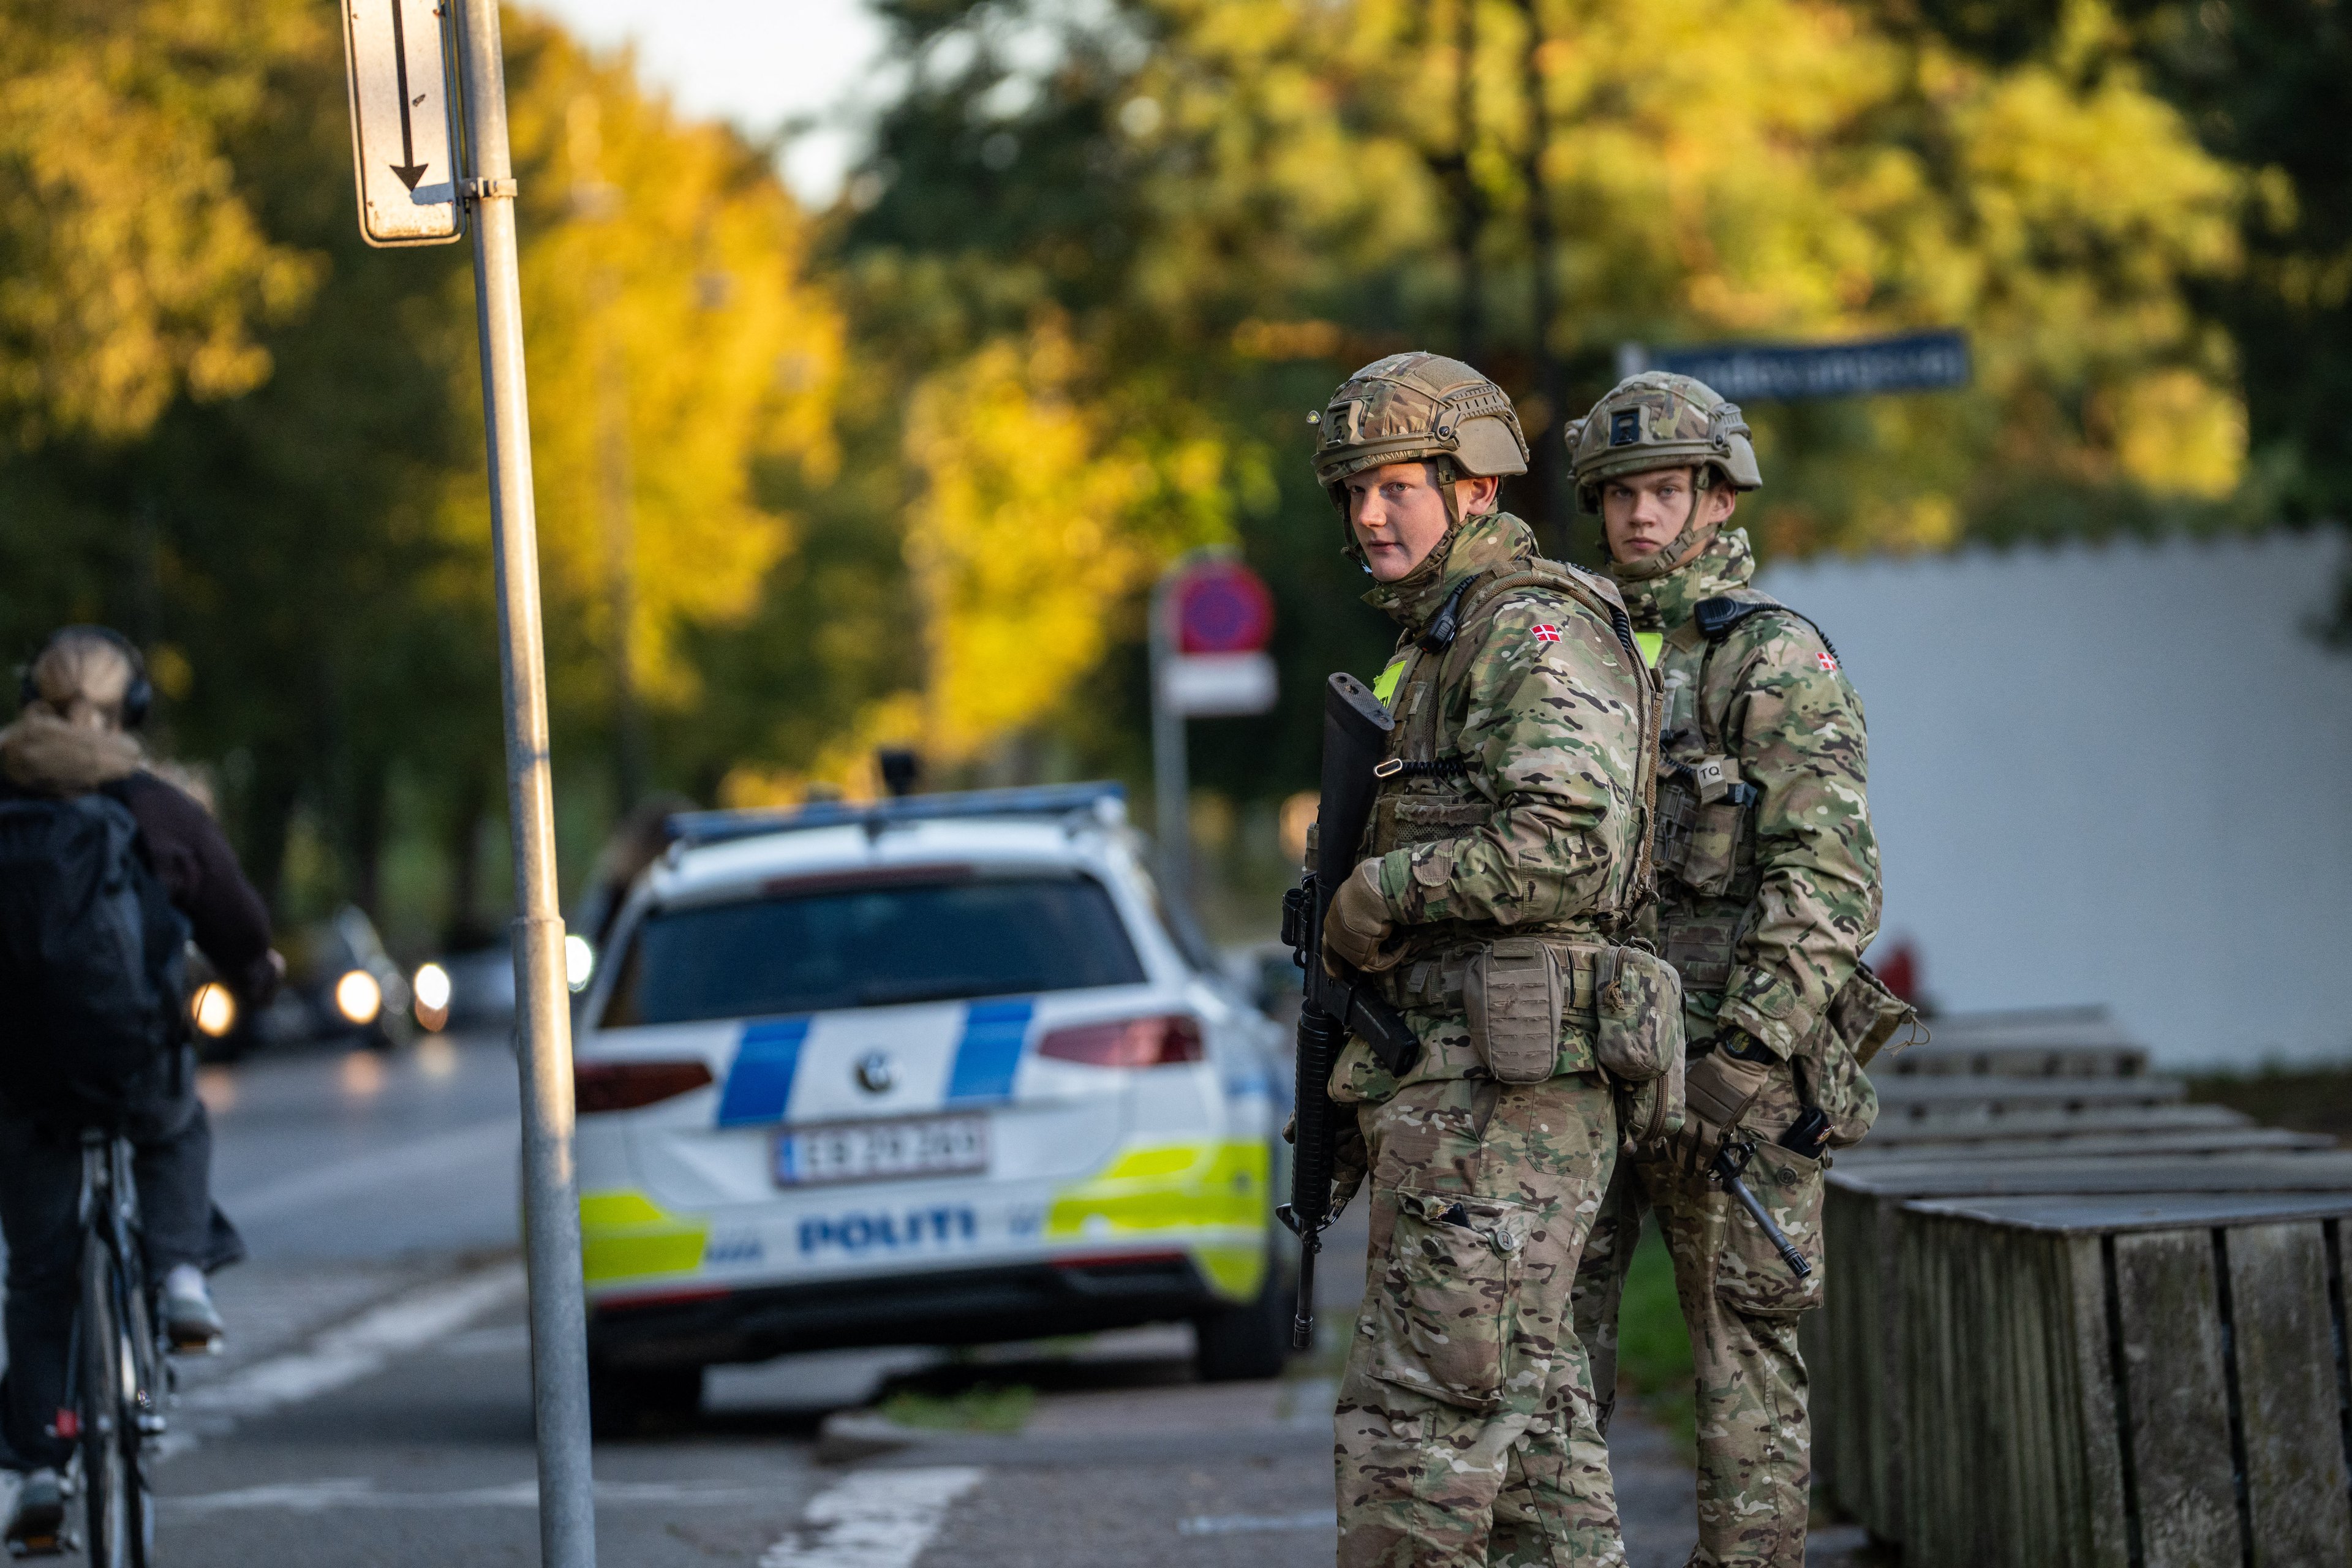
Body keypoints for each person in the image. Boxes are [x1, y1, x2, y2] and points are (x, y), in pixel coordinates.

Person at [1310, 352, 1665, 1567]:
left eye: (1396, 483)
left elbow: (1571, 841)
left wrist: (1385, 887)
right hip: (1463, 1104)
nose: (1368, 513)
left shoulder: (1534, 631)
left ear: (1474, 487)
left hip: (1508, 1113)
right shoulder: (1443, 646)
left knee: (1413, 1446)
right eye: (1352, 490)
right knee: (1540, 1471)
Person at [1562, 374, 1886, 1568]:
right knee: (1544, 1354)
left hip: (1736, 1087)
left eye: (1663, 490)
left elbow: (1832, 881)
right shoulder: (1570, 660)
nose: (1641, 517)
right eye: (1619, 495)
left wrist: (1741, 1057)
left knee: (1747, 1379)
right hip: (1589, 1072)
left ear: (1712, 494)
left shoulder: (1772, 657)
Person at [0, 627, 279, 1548]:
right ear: (136, 713)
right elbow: (238, 923)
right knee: (176, 1127)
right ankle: (181, 1274)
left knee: (40, 1277)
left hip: (24, 1077)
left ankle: (41, 1468)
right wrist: (254, 979)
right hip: (132, 1054)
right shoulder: (156, 807)